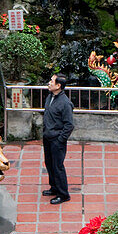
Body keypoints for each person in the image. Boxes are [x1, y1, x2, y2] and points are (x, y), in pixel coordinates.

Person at [42, 72, 74, 204]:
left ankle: (63, 194)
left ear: (58, 85)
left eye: (52, 81)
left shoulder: (65, 103)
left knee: (57, 166)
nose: (49, 83)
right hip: (47, 137)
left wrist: (60, 139)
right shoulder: (50, 97)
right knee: (49, 163)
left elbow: (69, 125)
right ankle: (54, 187)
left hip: (57, 140)